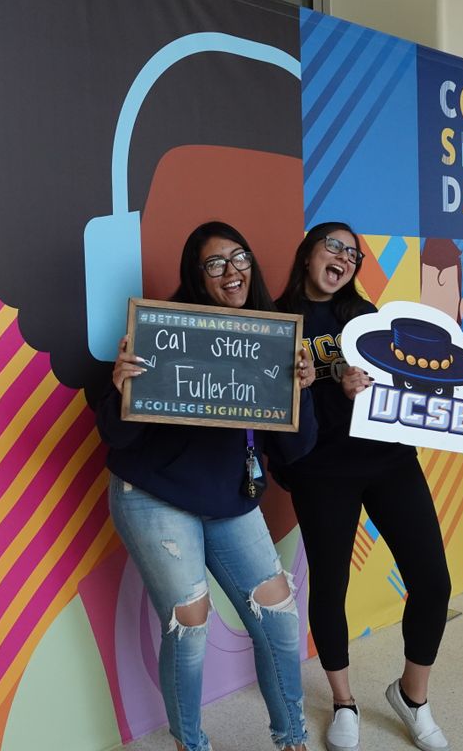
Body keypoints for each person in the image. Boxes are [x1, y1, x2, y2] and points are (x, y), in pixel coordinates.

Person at [273, 222, 463, 751]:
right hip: (320, 469)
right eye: (334, 246)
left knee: (433, 580)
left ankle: (412, 697)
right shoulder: (276, 318)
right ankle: (344, 702)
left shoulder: (368, 317)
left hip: (388, 461)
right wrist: (324, 383)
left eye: (353, 253)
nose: (344, 258)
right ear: (307, 252)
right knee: (330, 588)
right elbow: (268, 406)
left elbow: (415, 382)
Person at [97, 221, 316, 751]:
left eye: (239, 258)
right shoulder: (166, 333)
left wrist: (301, 392)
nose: (231, 271)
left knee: (282, 620)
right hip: (155, 494)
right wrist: (123, 387)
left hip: (229, 498)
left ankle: (292, 739)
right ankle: (190, 744)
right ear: (197, 278)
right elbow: (117, 436)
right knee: (190, 624)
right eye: (214, 263)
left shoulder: (271, 341)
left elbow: (296, 449)